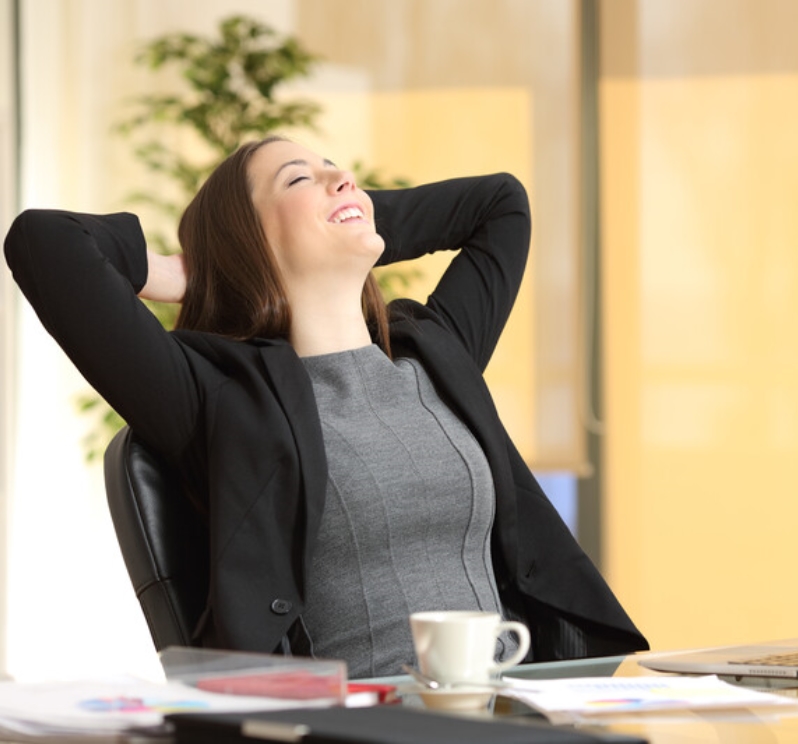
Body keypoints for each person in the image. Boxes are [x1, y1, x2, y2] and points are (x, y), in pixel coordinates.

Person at [4, 136, 648, 677]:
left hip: (506, 710)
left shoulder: (436, 354)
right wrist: (187, 268)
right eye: (298, 178)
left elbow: (499, 203)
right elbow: (42, 240)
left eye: (337, 168)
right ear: (248, 240)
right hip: (353, 723)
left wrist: (347, 210)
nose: (343, 178)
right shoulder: (219, 400)